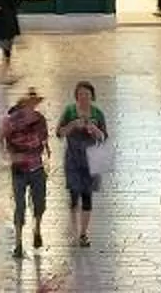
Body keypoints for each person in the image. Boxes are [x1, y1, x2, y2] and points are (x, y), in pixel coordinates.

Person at [0, 84, 52, 254]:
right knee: (20, 205)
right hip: (19, 170)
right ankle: (18, 242)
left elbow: (44, 139)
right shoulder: (11, 121)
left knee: (39, 203)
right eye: (29, 104)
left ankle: (37, 228)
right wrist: (10, 156)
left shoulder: (40, 119)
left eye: (34, 104)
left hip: (37, 167)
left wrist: (47, 152)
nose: (32, 107)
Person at [57, 79, 107, 248]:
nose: (84, 98)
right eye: (80, 95)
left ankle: (83, 233)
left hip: (91, 159)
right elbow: (59, 132)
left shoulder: (98, 114)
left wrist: (94, 130)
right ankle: (73, 229)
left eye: (86, 94)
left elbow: (104, 137)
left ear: (92, 96)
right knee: (73, 195)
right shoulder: (69, 111)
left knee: (87, 196)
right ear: (76, 96)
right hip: (73, 158)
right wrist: (72, 125)